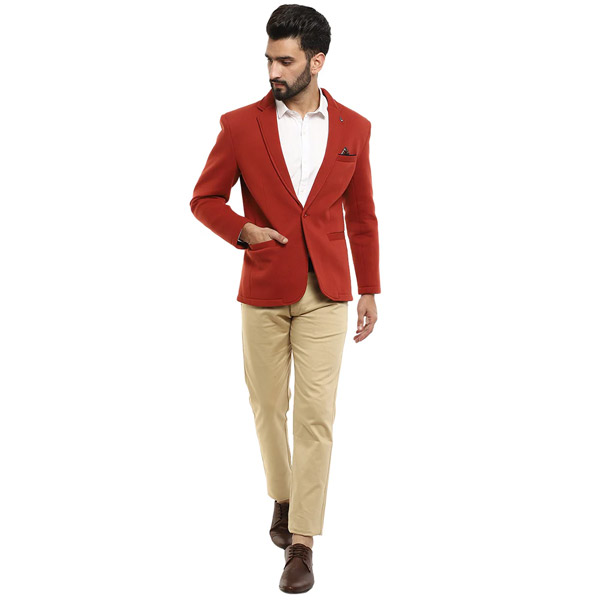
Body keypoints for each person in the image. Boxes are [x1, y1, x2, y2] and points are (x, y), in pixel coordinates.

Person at [189, 4, 380, 593]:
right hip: (264, 288)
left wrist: (370, 287)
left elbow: (362, 215)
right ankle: (283, 492)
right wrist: (243, 231)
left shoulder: (354, 128)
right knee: (268, 406)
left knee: (316, 416)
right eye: (269, 58)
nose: (273, 69)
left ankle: (302, 542)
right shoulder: (239, 125)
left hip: (328, 291)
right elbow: (205, 199)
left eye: (286, 60)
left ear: (316, 62)